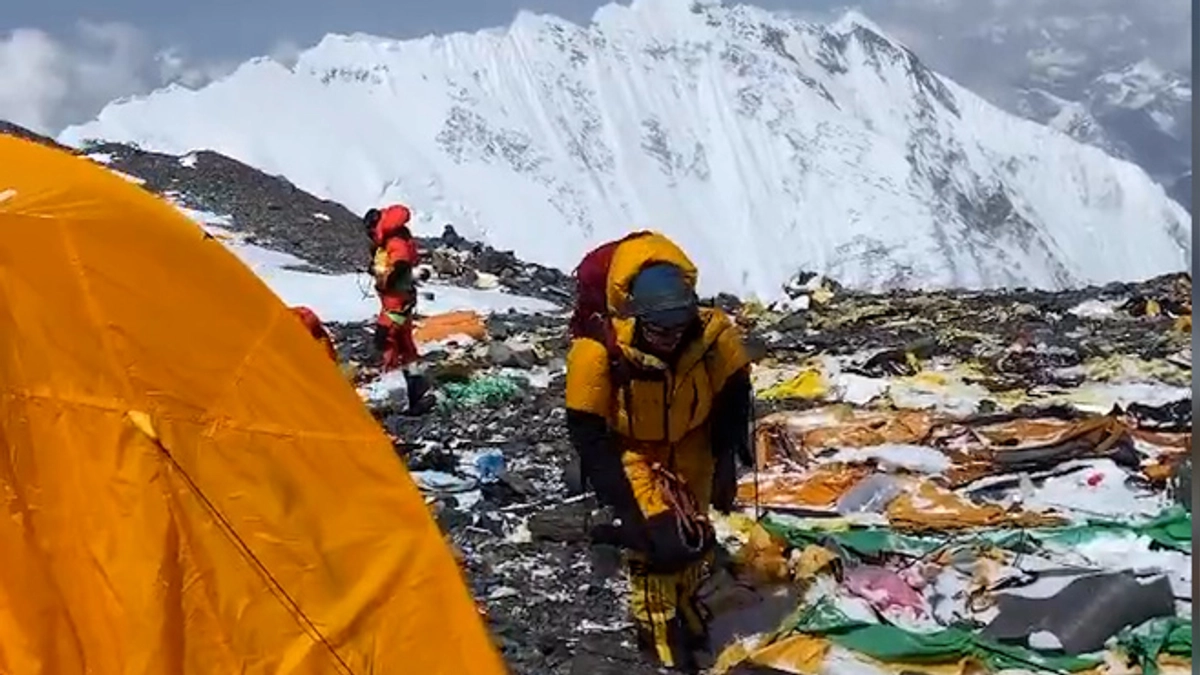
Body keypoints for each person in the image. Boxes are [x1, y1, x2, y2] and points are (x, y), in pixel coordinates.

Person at [564, 232, 754, 672]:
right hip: (631, 448)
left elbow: (732, 395)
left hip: (693, 441)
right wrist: (627, 510)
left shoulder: (712, 335)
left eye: (676, 328)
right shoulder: (596, 352)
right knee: (656, 543)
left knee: (695, 534)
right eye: (658, 329)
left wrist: (727, 461)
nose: (668, 339)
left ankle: (685, 608)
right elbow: (589, 435)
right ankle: (659, 638)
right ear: (636, 317)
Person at [363, 204, 429, 372]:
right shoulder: (390, 239)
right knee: (402, 335)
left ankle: (390, 373)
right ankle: (412, 371)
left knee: (386, 335)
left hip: (396, 299)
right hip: (398, 297)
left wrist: (386, 280)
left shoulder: (394, 240)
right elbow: (389, 264)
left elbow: (400, 264)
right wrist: (376, 270)